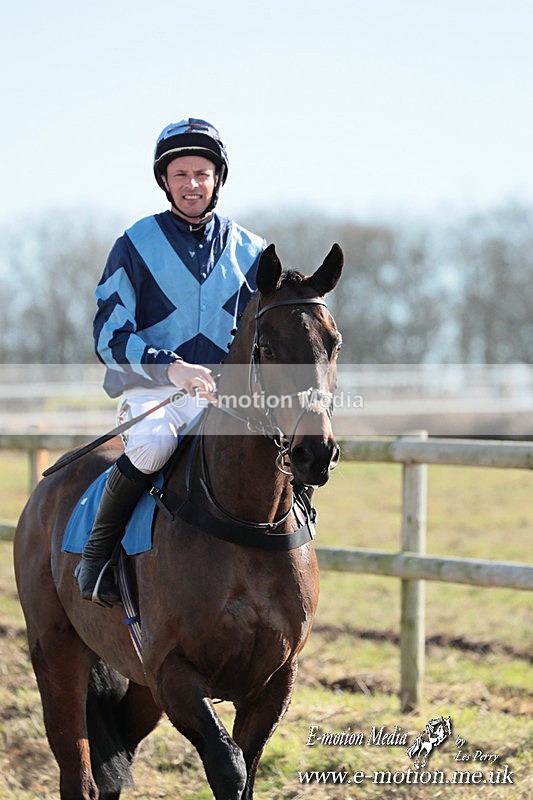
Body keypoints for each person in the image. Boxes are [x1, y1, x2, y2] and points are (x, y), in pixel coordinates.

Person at [75, 118, 265, 605]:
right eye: (180, 174)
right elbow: (109, 336)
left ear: (218, 179)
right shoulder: (134, 245)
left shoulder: (254, 253)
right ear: (164, 180)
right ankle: (97, 557)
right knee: (156, 442)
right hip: (155, 391)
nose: (191, 184)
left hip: (229, 397)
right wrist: (171, 368)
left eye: (201, 173)